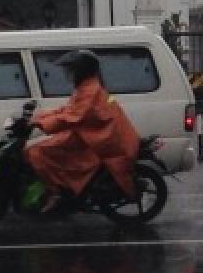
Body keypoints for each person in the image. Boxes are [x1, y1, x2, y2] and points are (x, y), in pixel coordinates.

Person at [26, 50, 140, 212]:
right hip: (91, 134)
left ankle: (56, 191)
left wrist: (43, 124)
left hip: (95, 138)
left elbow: (73, 117)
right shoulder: (86, 87)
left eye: (71, 70)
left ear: (81, 70)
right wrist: (38, 118)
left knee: (37, 152)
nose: (68, 74)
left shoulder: (89, 91)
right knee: (44, 148)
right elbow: (66, 110)